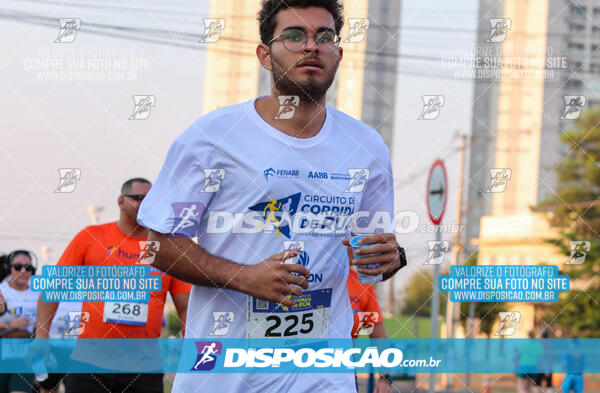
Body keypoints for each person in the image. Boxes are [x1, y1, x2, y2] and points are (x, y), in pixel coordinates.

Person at [136, 1, 406, 391]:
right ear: (265, 55)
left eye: (324, 37)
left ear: (339, 55)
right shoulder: (213, 137)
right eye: (294, 36)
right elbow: (157, 246)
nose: (311, 46)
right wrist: (245, 277)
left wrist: (392, 257)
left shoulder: (366, 147)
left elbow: (374, 259)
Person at [35, 178, 191, 393]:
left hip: (143, 368)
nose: (145, 204)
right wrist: (41, 338)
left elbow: (186, 307)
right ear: (120, 201)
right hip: (89, 363)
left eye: (151, 199)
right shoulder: (91, 237)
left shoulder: (167, 248)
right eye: (138, 198)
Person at [347, 267, 393, 393]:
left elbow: (378, 336)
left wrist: (385, 378)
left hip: (345, 374)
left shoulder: (361, 283)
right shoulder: (301, 275)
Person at [0, 250, 38, 393]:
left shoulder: (38, 294)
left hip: (25, 354)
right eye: (18, 267)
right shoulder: (1, 291)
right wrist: (11, 325)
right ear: (9, 268)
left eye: (28, 268)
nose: (23, 271)